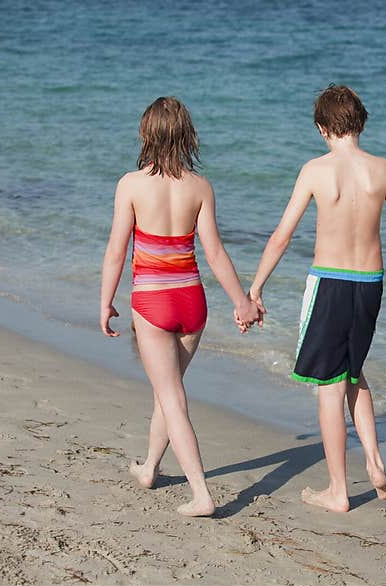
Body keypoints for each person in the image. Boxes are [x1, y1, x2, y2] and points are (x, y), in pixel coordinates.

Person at [249, 84, 386, 512]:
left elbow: (283, 236)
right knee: (354, 373)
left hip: (330, 282)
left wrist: (256, 286)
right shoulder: (383, 169)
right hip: (371, 283)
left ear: (322, 128)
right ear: (361, 122)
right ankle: (374, 462)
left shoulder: (315, 170)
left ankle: (338, 490)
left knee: (328, 387)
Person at [99, 96, 261, 517]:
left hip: (152, 301)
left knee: (171, 396)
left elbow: (117, 251)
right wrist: (241, 302)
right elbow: (217, 254)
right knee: (166, 390)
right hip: (192, 301)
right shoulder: (200, 187)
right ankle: (150, 468)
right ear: (187, 136)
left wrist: (105, 302)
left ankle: (202, 494)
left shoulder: (131, 184)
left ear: (146, 134)